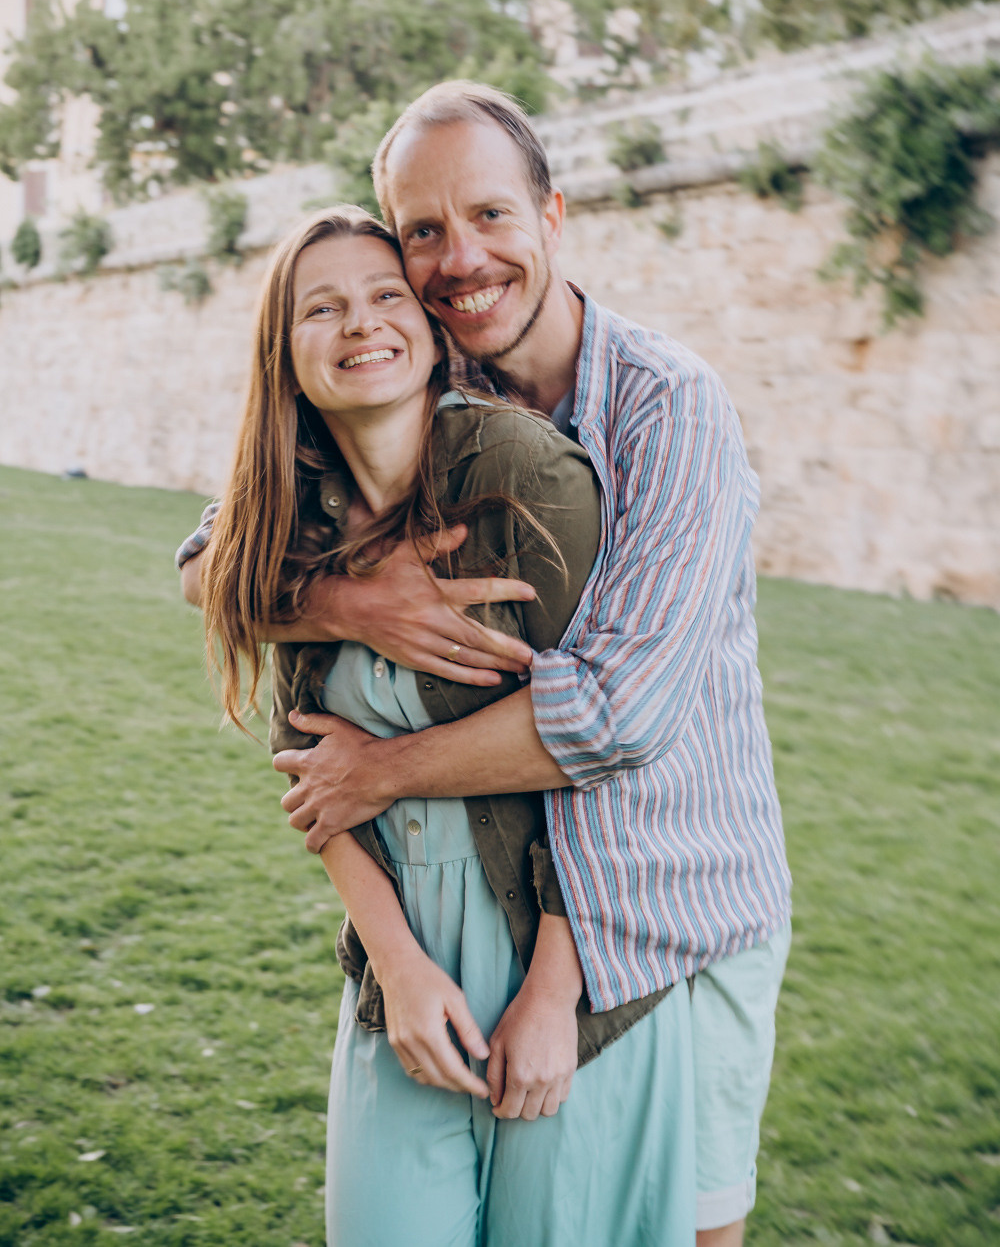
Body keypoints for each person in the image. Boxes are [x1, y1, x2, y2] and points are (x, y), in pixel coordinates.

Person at [180, 83, 792, 1246]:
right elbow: (209, 560)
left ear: (552, 214)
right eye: (424, 230)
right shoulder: (431, 382)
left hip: (683, 896)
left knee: (698, 1229)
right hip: (511, 914)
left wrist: (383, 774)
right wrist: (353, 601)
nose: (460, 258)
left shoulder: (666, 408)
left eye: (491, 216)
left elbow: (617, 717)